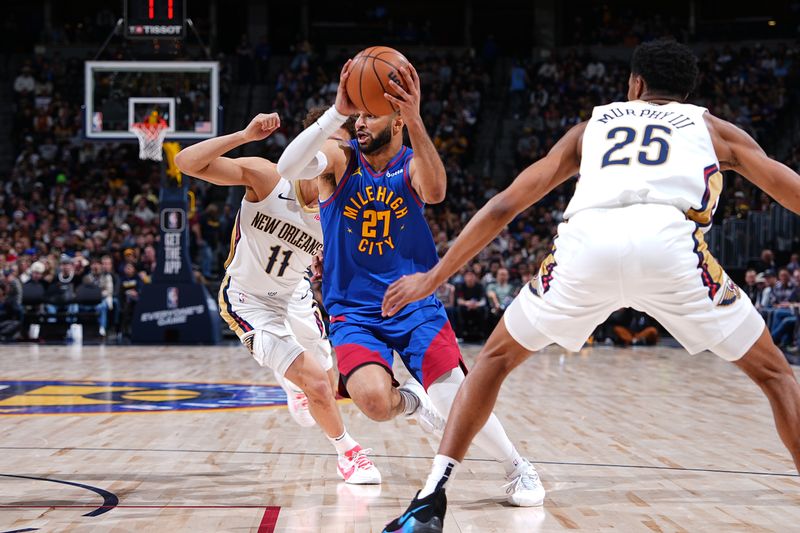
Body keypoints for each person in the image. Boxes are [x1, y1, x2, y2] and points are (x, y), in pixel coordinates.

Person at [381, 40, 800, 531]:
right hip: (668, 245)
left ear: (635, 85)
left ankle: (431, 495)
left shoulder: (591, 126)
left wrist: (433, 277)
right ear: (686, 96)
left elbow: (504, 205)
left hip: (586, 244)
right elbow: (786, 186)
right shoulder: (711, 128)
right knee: (776, 375)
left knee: (492, 362)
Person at [277, 60, 543, 505]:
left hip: (414, 303)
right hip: (353, 312)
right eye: (357, 115)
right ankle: (413, 404)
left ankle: (517, 467)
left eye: (370, 114)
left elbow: (436, 190)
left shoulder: (410, 163)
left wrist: (418, 121)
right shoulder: (340, 159)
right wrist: (337, 112)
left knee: (456, 393)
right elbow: (288, 168)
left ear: (398, 119)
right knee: (376, 403)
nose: (360, 123)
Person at [174, 110, 381, 485]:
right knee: (315, 382)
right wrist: (244, 134)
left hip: (295, 294)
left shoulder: (341, 209)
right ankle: (348, 453)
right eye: (321, 141)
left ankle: (291, 380)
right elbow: (185, 162)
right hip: (248, 299)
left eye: (337, 146)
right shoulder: (269, 176)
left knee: (326, 374)